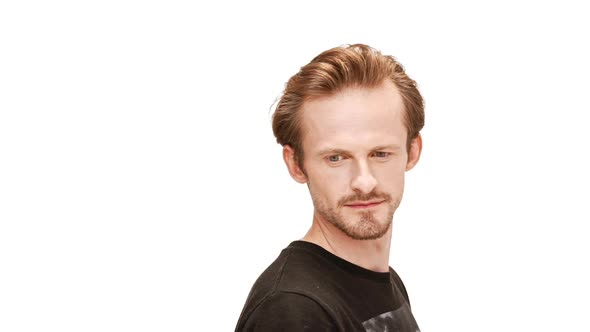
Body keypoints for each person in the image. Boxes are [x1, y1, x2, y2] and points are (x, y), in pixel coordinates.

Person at [235, 43, 424, 331]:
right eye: (336, 158)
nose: (364, 181)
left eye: (380, 153)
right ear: (296, 164)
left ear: (412, 152)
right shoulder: (293, 310)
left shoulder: (384, 280)